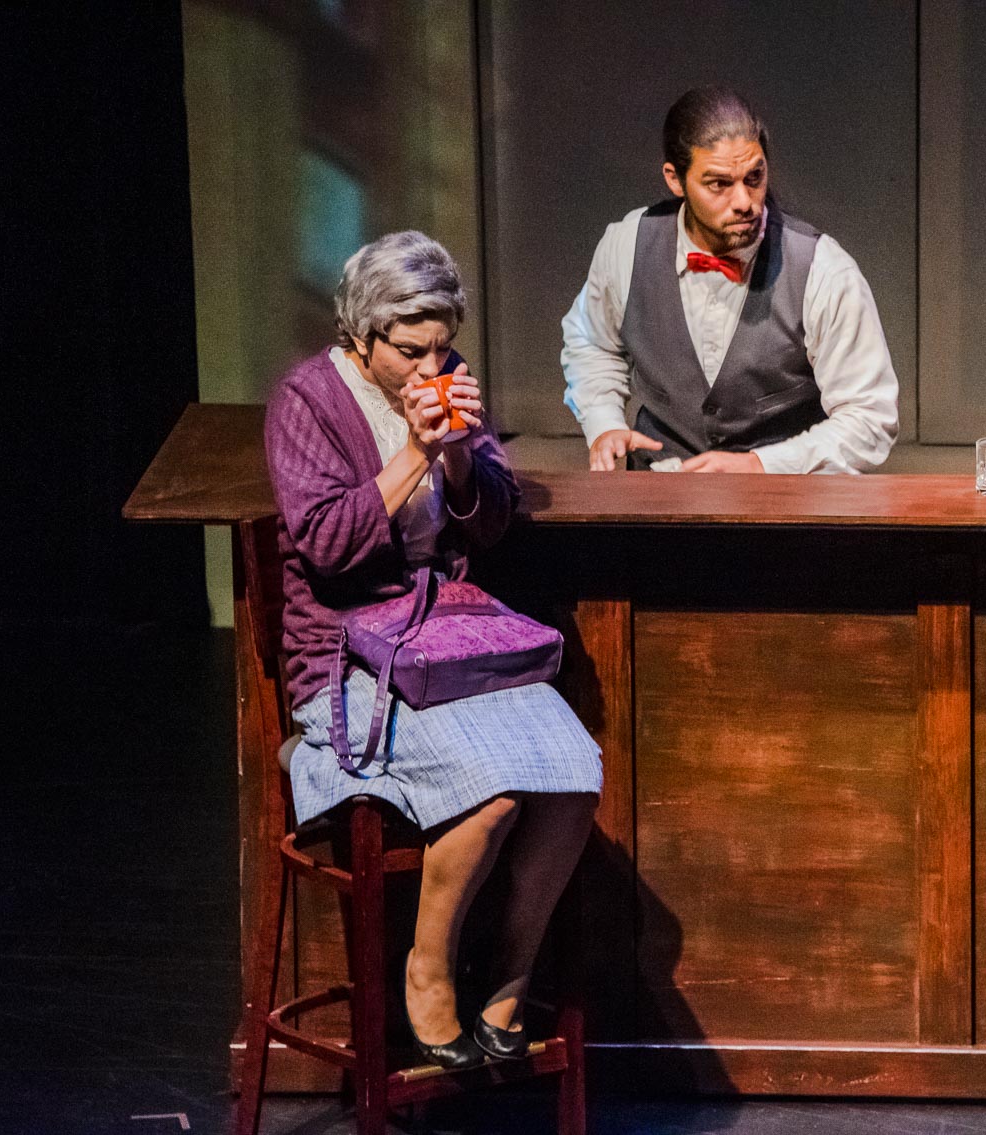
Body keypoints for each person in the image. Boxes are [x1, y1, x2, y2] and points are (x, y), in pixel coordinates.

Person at [264, 231, 602, 1068]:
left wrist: (456, 461)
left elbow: (488, 523)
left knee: (571, 778)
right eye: (411, 350)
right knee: (492, 797)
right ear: (362, 335)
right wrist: (414, 452)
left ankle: (509, 973)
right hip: (346, 655)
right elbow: (328, 547)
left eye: (443, 348)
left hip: (447, 641)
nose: (430, 367)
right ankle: (427, 970)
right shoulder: (307, 400)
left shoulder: (442, 383)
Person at [561, 85, 899, 473]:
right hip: (657, 501)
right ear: (675, 179)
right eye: (719, 184)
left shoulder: (822, 269)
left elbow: (870, 417)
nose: (744, 201)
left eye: (754, 177)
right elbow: (590, 342)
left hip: (784, 512)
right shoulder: (626, 246)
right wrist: (603, 423)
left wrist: (761, 465)